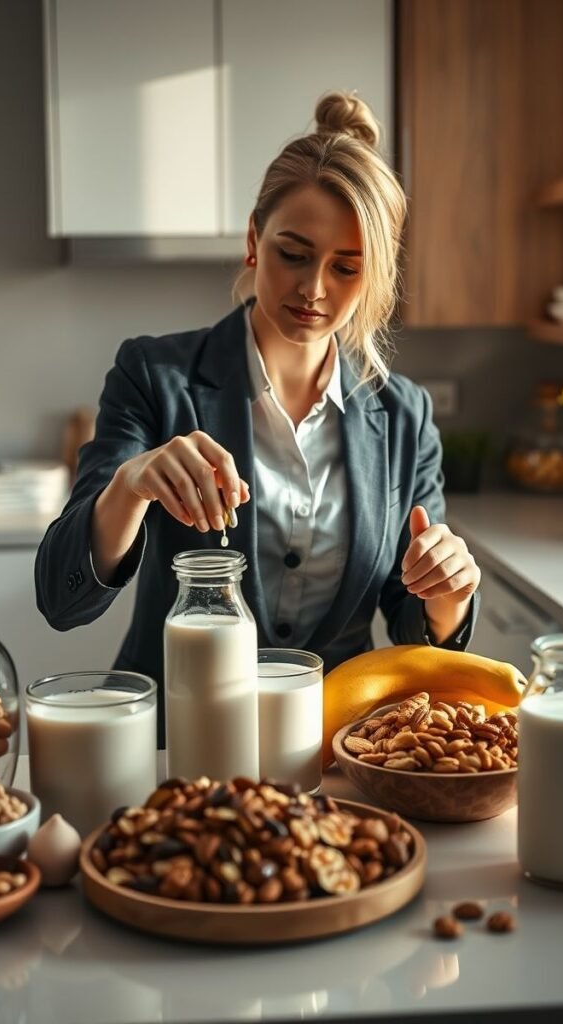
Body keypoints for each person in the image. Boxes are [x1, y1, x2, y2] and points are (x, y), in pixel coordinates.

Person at [35, 91, 481, 744]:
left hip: (334, 750)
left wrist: (448, 595)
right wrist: (129, 485)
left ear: (375, 273)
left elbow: (413, 627)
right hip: (174, 742)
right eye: (293, 254)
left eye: (346, 267)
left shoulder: (404, 415)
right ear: (254, 239)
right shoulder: (155, 376)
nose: (314, 289)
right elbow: (61, 597)